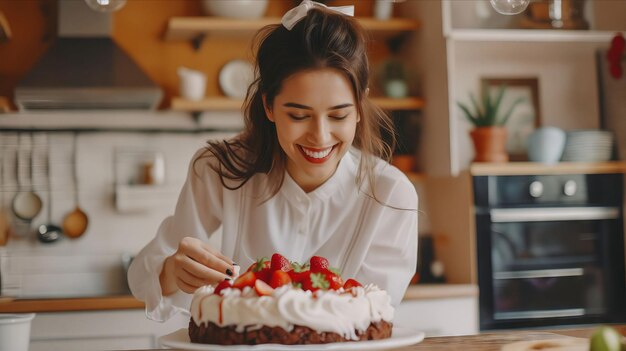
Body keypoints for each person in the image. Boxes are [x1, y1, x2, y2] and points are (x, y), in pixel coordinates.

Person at [128, 0, 418, 323]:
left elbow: (365, 318)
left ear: (360, 104)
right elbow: (141, 275)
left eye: (338, 115)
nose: (320, 137)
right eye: (298, 115)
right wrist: (171, 272)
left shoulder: (392, 196)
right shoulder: (218, 169)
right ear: (268, 105)